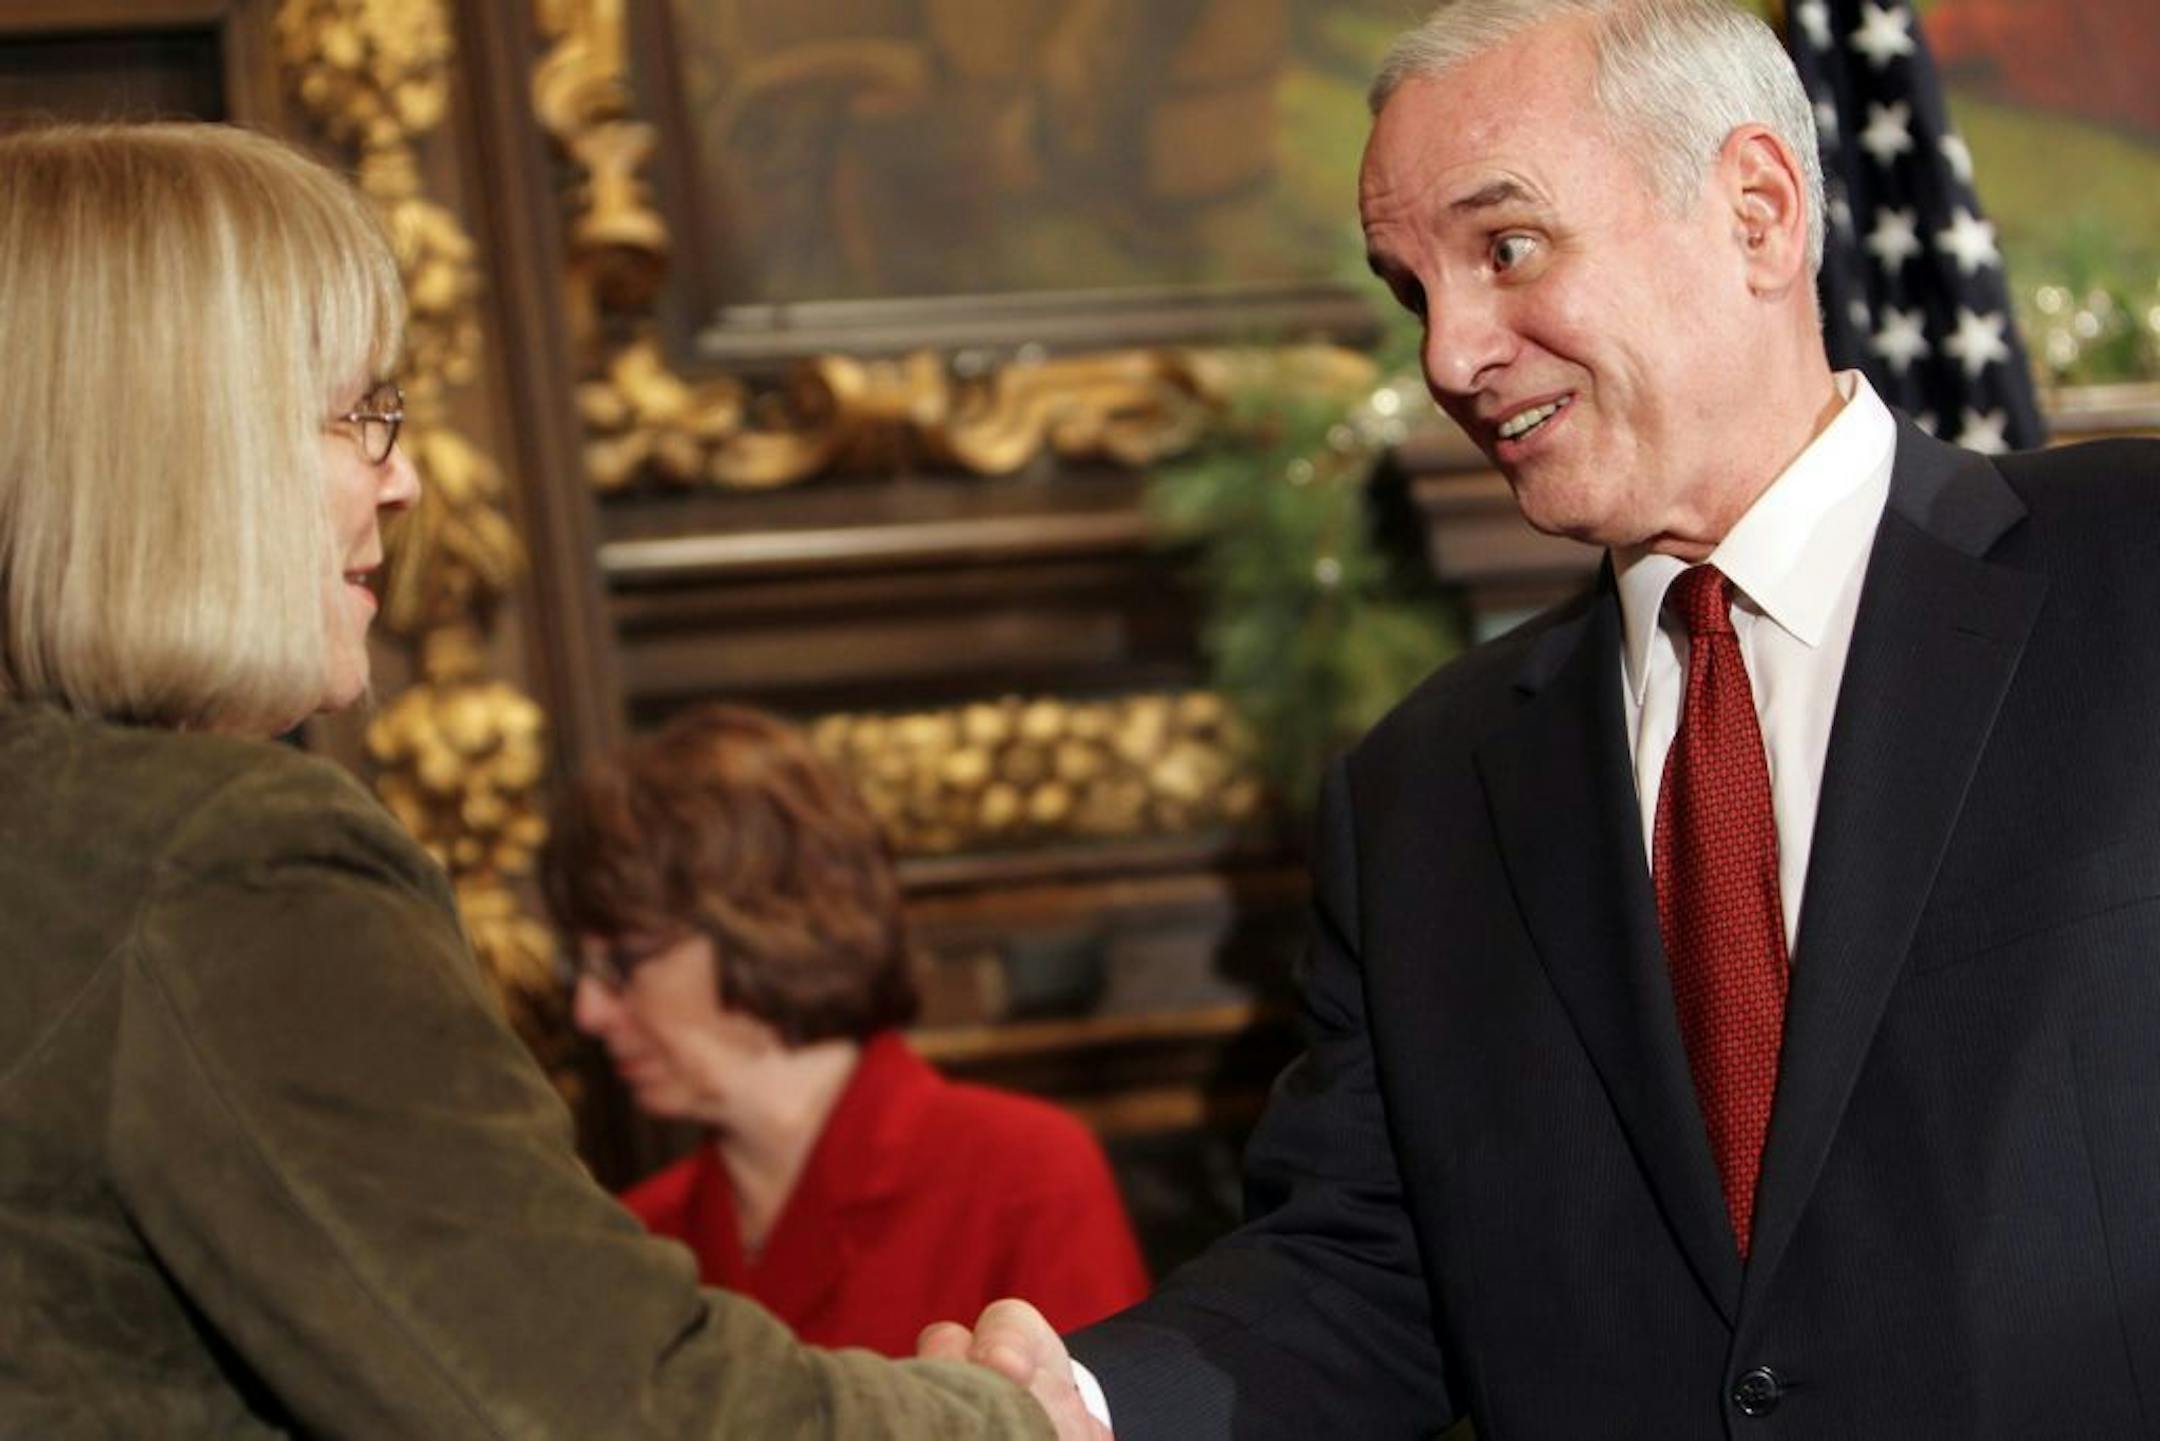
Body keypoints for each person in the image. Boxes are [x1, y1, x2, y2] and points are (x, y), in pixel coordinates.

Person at [932, 0, 2160, 1435]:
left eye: (1506, 249)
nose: (1450, 358)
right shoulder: (1424, 791)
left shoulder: (2132, 572)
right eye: (1415, 293)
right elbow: (1361, 1271)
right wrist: (1077, 1405)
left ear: (1758, 213)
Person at [0, 121, 1102, 1440]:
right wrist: (1008, 1423)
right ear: (181, 451)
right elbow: (612, 1414)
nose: (407, 481)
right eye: (360, 415)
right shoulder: (219, 860)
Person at [541, 703, 1150, 1357]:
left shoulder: (1022, 1176)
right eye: (582, 970)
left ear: (762, 921)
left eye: (622, 963)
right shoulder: (638, 1237)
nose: (588, 1011)